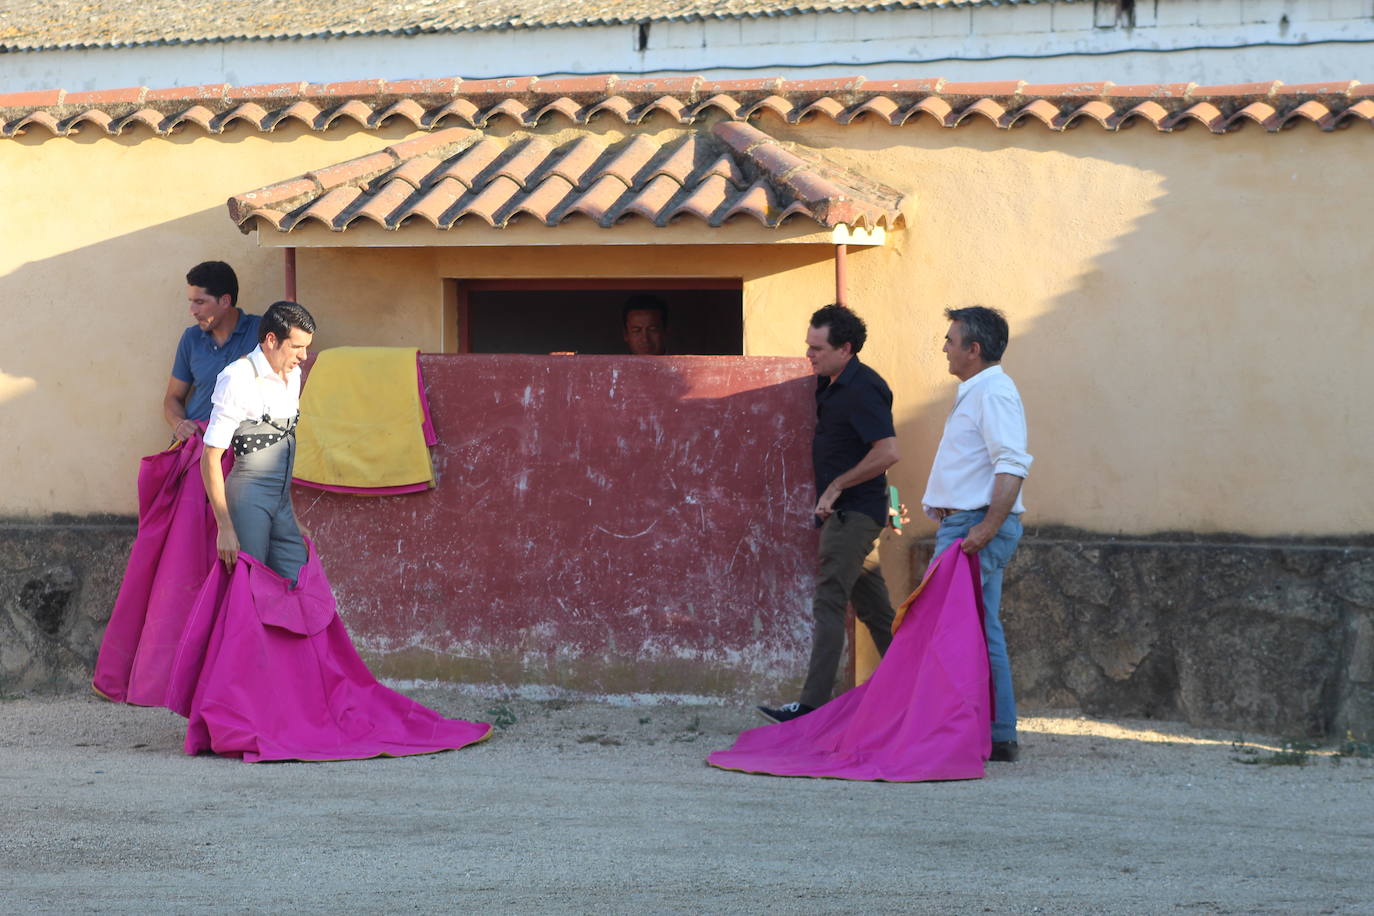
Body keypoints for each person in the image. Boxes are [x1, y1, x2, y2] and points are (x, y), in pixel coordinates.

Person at [758, 304, 899, 724]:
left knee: (829, 601)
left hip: (851, 514)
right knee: (876, 611)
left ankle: (811, 707)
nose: (809, 355)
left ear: (845, 348)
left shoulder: (863, 388)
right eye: (808, 346)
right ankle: (916, 688)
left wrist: (837, 486)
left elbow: (888, 451)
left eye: (817, 348)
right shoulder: (832, 384)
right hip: (853, 511)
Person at [922, 306, 1032, 763]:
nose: (944, 347)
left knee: (940, 625)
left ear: (974, 349)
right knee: (980, 627)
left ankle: (947, 728)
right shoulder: (979, 390)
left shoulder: (993, 393)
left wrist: (986, 528)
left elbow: (1011, 463)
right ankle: (996, 731)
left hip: (973, 524)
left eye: (951, 339)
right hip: (965, 521)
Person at [201, 300, 313, 582]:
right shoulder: (237, 378)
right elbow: (210, 458)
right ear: (271, 340)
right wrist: (225, 526)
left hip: (281, 505)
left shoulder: (294, 374)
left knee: (300, 583)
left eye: (306, 347)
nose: (304, 356)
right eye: (297, 347)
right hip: (247, 503)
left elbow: (281, 452)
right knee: (248, 589)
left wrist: (291, 517)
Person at [165, 261, 261, 441]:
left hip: (245, 447)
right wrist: (179, 423)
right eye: (191, 302)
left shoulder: (262, 333)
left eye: (200, 302)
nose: (192, 311)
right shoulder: (191, 338)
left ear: (225, 301)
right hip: (196, 445)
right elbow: (173, 397)